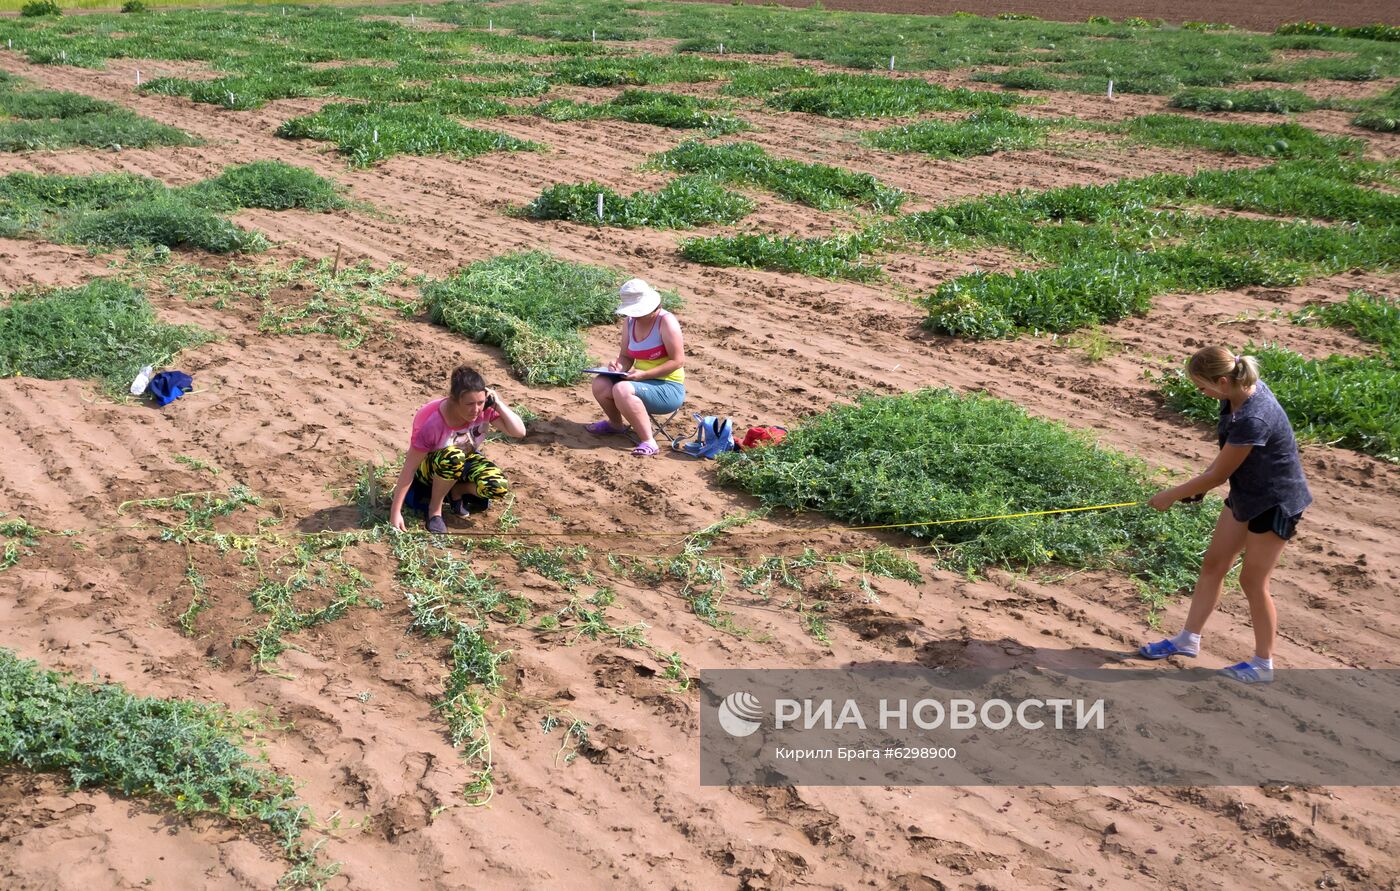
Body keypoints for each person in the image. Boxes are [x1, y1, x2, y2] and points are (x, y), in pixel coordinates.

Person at [1136, 347, 1312, 684]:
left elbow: (1217, 475)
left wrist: (1170, 496)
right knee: (1214, 564)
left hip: (1276, 501)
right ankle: (1188, 639)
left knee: (1252, 581)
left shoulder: (1253, 417)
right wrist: (1197, 486)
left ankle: (1263, 664)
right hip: (1247, 493)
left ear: (1220, 381)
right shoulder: (1235, 392)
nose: (1201, 393)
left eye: (1201, 387)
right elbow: (1223, 467)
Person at [389, 365, 526, 534]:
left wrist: (497, 404)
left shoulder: (484, 411)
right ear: (454, 400)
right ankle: (434, 511)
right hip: (430, 469)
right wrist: (395, 513)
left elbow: (519, 432)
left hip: (463, 460)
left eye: (480, 402)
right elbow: (409, 469)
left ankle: (457, 490)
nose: (475, 410)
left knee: (496, 486)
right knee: (454, 456)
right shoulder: (433, 423)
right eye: (469, 404)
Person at [585, 278, 686, 457]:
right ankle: (615, 424)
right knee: (600, 383)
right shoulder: (630, 322)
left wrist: (644, 375)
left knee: (622, 389)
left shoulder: (666, 322)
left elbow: (677, 361)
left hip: (668, 387)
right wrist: (618, 366)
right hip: (639, 380)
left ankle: (649, 441)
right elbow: (626, 356)